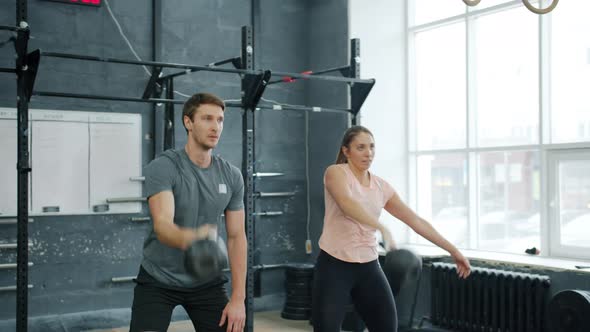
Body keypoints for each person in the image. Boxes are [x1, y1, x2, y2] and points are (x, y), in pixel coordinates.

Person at [312, 125, 471, 332]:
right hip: (334, 266)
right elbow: (347, 204)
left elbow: (416, 221)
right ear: (346, 151)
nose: (368, 153)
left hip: (368, 267)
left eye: (371, 147)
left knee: (387, 327)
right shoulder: (335, 173)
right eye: (360, 147)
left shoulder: (381, 187)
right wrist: (381, 227)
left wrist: (453, 251)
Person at [130, 92, 247, 332]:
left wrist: (238, 298)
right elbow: (163, 226)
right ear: (188, 122)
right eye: (206, 118)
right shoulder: (165, 167)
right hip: (159, 278)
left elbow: (237, 237)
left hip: (206, 281)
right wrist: (197, 238)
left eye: (220, 120)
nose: (215, 127)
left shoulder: (231, 175)